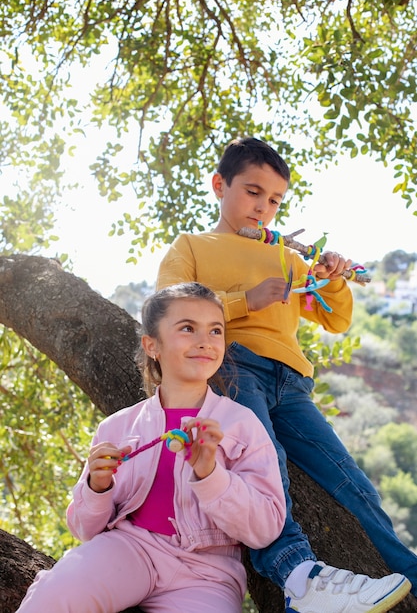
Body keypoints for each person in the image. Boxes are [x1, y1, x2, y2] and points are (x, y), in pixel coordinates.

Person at [156, 136, 416, 612]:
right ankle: (298, 578)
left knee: (351, 480)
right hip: (234, 366)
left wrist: (333, 278)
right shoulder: (194, 245)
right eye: (253, 192)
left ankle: (411, 574)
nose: (264, 207)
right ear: (220, 185)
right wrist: (244, 300)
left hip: (291, 382)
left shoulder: (286, 258)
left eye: (275, 199)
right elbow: (169, 309)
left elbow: (335, 319)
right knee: (265, 465)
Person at [16, 282, 286, 613]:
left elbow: (266, 529)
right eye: (188, 328)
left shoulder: (241, 424)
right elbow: (85, 529)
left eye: (215, 331)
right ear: (152, 345)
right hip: (128, 549)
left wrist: (210, 474)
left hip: (207, 574)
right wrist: (96, 487)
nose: (205, 341)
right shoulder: (117, 427)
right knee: (55, 595)